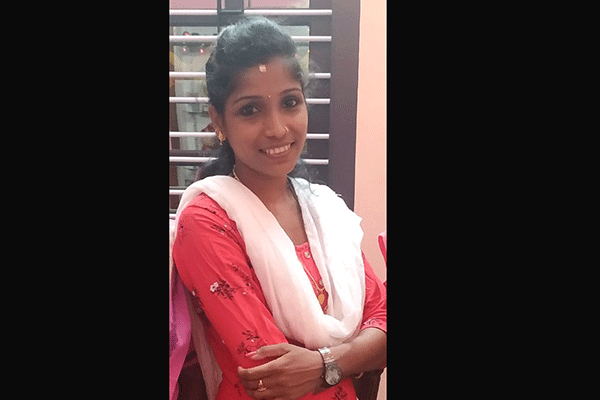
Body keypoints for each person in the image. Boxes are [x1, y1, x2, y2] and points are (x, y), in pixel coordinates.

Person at [170, 17, 386, 400]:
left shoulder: (325, 211)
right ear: (218, 120)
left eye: (290, 102)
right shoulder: (206, 220)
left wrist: (322, 365)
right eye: (250, 110)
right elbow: (271, 377)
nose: (277, 128)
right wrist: (354, 355)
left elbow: (382, 320)